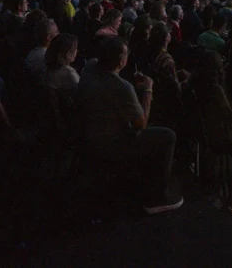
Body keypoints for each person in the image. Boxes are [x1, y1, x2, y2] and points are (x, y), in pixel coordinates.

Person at [77, 38, 183, 214]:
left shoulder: (90, 67)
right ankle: (155, 197)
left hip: (87, 133)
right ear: (121, 61)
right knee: (168, 135)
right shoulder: (122, 88)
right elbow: (141, 124)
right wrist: (148, 90)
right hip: (109, 143)